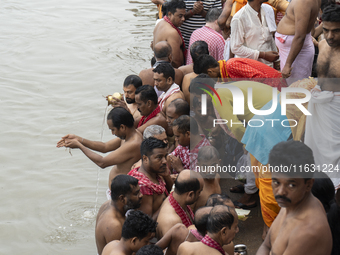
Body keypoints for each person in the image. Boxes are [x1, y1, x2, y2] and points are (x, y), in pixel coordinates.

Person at [256, 141, 332, 255]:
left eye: (291, 185)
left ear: (308, 184)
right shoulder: (290, 202)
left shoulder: (307, 231)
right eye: (276, 182)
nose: (281, 192)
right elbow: (266, 246)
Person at [56, 107, 143, 191]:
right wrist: (79, 139)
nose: (112, 133)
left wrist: (79, 146)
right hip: (118, 191)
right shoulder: (129, 135)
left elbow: (102, 162)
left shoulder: (134, 143)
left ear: (122, 127)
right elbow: (105, 147)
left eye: (113, 130)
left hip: (123, 194)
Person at [305, 4, 340, 195]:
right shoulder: (323, 44)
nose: (330, 36)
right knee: (316, 157)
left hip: (337, 111)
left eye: (336, 31)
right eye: (326, 30)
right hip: (320, 108)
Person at [275, 0, 321, 84]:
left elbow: (300, 36)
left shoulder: (303, 2)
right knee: (295, 89)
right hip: (294, 49)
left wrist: (288, 65)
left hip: (296, 51)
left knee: (296, 90)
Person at [95, 175, 143, 255]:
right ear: (122, 199)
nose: (141, 195)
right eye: (136, 193)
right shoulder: (114, 226)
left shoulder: (107, 204)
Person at [128, 137, 173, 219]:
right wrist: (169, 202)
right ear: (145, 158)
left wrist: (167, 177)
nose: (165, 161)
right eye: (159, 157)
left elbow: (168, 191)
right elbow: (147, 223)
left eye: (165, 156)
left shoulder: (155, 172)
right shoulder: (143, 187)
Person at [230, 0, 279, 68]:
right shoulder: (239, 18)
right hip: (250, 69)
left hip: (268, 66)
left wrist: (277, 61)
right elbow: (236, 48)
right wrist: (263, 55)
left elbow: (270, 38)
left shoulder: (268, 9)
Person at [156, 170, 204, 238]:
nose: (200, 195)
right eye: (199, 192)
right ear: (190, 194)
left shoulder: (176, 197)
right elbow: (176, 248)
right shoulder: (172, 221)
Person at [153, 0, 187, 68]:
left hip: (160, 67)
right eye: (180, 16)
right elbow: (176, 61)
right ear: (169, 14)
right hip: (170, 71)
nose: (183, 19)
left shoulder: (159, 23)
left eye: (184, 16)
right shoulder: (172, 32)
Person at [192, 146, 221, 212]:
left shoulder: (217, 177)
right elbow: (189, 211)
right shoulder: (195, 184)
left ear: (219, 163)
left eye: (213, 165)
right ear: (198, 165)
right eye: (205, 166)